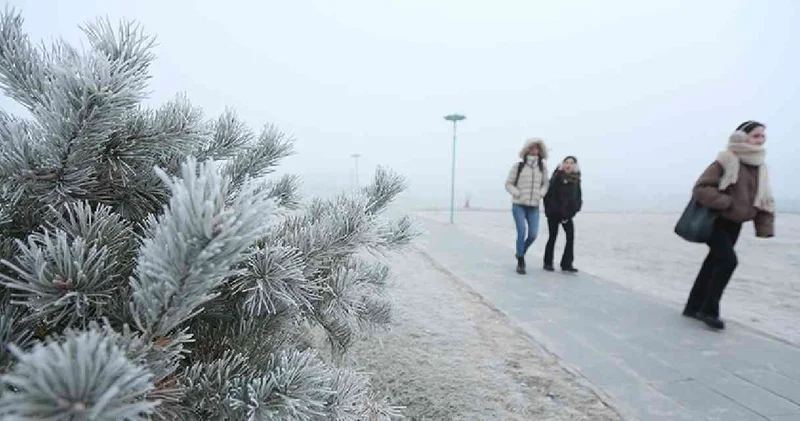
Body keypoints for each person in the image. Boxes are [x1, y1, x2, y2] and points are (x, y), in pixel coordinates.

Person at [683, 120, 775, 330]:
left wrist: (764, 227)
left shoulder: (759, 166)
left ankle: (692, 307)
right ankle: (709, 310)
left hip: (735, 224)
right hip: (716, 220)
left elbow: (763, 199)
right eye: (756, 135)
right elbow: (701, 188)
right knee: (728, 262)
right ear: (742, 137)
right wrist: (725, 203)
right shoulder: (726, 160)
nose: (761, 140)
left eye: (763, 136)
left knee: (713, 263)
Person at [505, 138, 549, 274]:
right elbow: (508, 183)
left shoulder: (542, 167)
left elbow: (546, 184)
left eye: (537, 148)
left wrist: (540, 194)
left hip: (534, 206)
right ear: (526, 150)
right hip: (519, 205)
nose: (534, 150)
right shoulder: (518, 166)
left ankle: (520, 252)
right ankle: (521, 262)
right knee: (521, 231)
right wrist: (516, 193)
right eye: (531, 148)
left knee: (533, 234)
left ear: (540, 151)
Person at [543, 156, 583, 273]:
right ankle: (548, 262)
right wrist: (554, 211)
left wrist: (574, 210)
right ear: (563, 164)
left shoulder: (576, 179)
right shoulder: (556, 177)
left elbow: (577, 197)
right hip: (554, 213)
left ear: (574, 165)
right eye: (566, 162)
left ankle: (567, 263)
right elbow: (550, 196)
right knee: (553, 236)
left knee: (570, 237)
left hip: (567, 214)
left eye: (571, 163)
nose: (568, 165)